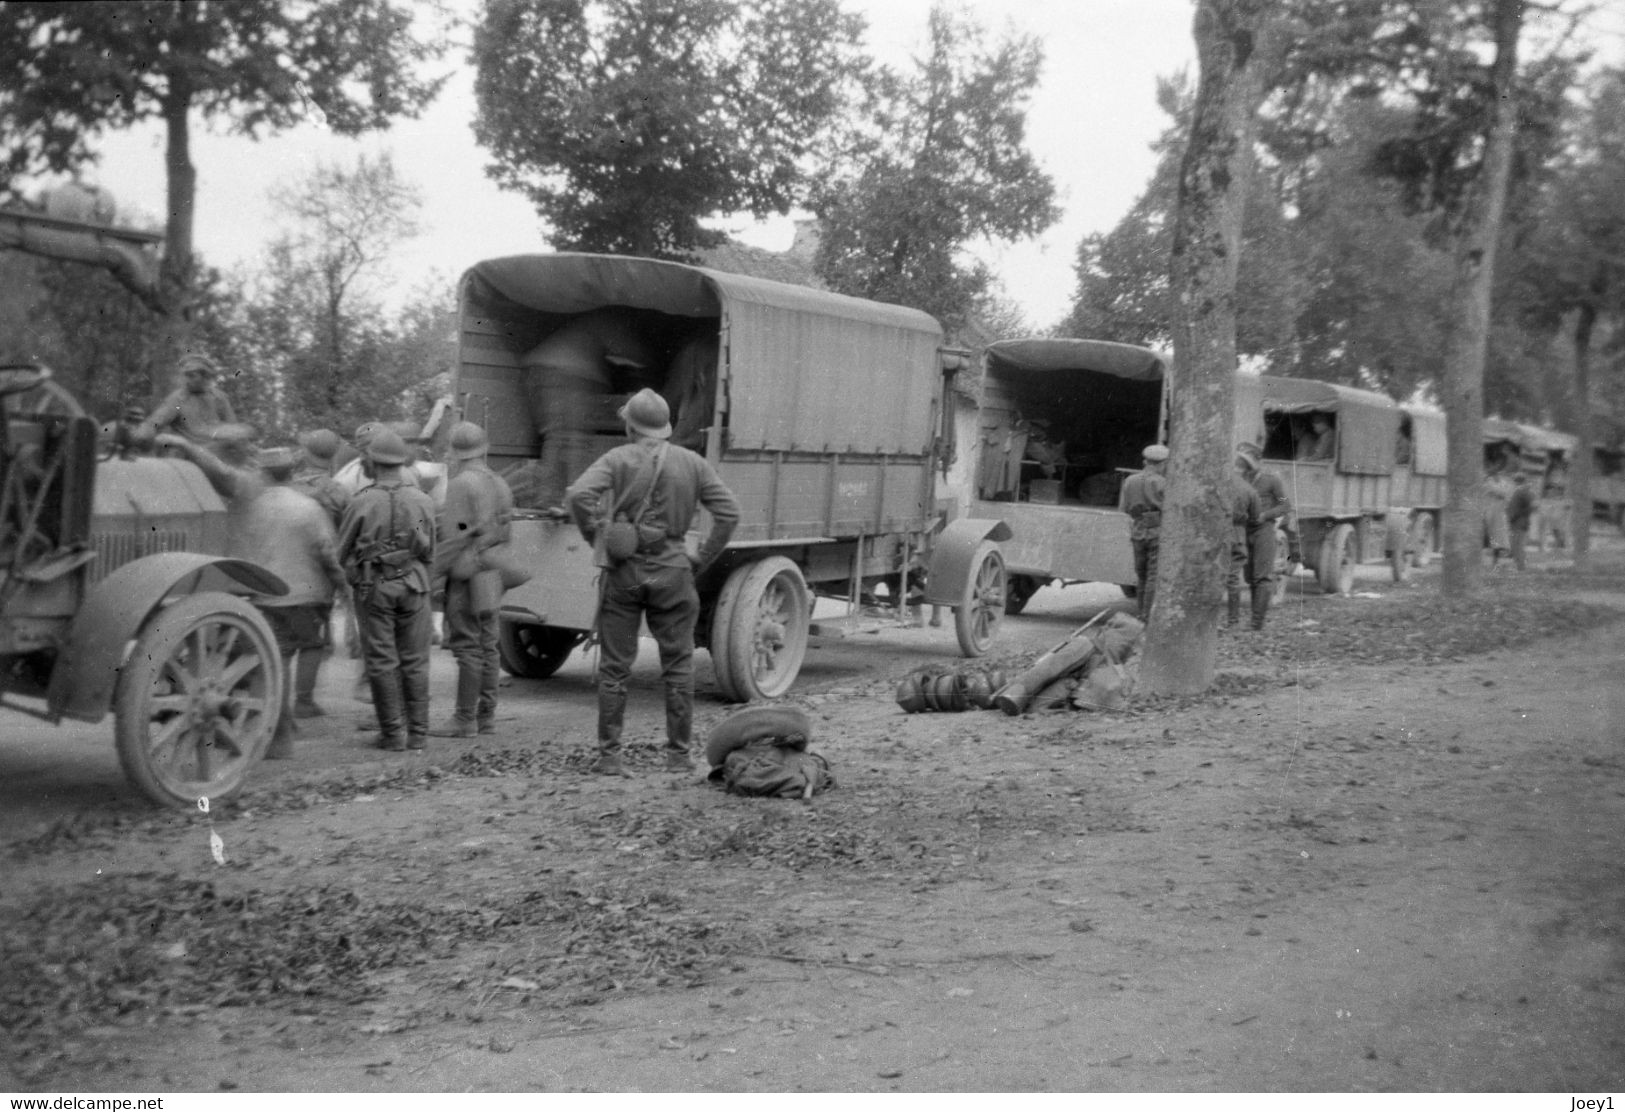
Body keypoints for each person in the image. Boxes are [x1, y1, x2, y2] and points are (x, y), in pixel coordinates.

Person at [566, 388, 740, 776]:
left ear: (630, 425)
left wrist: (596, 534)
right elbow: (729, 513)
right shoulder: (692, 462)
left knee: (615, 667)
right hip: (673, 571)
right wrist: (703, 556)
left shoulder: (617, 457)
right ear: (665, 428)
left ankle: (610, 757)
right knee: (678, 665)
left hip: (625, 572)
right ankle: (678, 756)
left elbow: (578, 495)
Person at [337, 429, 437, 752]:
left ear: (370, 461)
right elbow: (429, 549)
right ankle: (418, 734)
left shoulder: (361, 501)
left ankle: (393, 735)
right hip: (415, 583)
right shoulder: (423, 500)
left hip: (375, 586)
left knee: (381, 661)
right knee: (416, 660)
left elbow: (342, 553)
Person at [247, 447, 349, 758]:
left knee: (276, 659)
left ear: (264, 473)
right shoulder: (308, 508)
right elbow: (327, 552)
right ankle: (301, 705)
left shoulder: (252, 507)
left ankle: (276, 724)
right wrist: (341, 583)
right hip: (305, 594)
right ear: (292, 472)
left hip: (263, 593)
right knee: (312, 646)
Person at [429, 421, 515, 739]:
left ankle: (464, 719)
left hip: (467, 573)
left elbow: (454, 536)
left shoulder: (462, 484)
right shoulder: (500, 483)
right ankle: (486, 717)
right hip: (491, 570)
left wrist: (434, 573)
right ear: (485, 448)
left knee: (467, 645)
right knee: (489, 644)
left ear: (454, 452)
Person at [524, 308, 656, 510]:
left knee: (557, 437)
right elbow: (631, 351)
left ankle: (550, 498)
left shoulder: (589, 322)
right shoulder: (611, 319)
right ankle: (574, 499)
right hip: (568, 374)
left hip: (540, 370)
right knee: (574, 440)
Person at [1235, 443, 1292, 630]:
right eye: (1242, 463)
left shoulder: (1272, 481)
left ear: (1258, 462)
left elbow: (1285, 505)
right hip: (1244, 530)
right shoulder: (1239, 480)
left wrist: (1266, 515)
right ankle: (1254, 619)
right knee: (1250, 576)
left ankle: (1256, 623)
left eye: (1247, 463)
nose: (1244, 467)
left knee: (1262, 577)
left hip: (1264, 531)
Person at [134, 352, 237, 446]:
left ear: (205, 377)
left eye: (192, 376)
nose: (187, 380)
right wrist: (140, 434)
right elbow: (155, 422)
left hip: (217, 455)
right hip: (188, 456)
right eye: (186, 376)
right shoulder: (178, 398)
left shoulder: (219, 398)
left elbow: (233, 429)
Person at [1119, 444, 1168, 620]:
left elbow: (1124, 509)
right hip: (1157, 530)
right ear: (1162, 464)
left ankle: (1141, 613)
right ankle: (1148, 616)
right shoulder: (1163, 483)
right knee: (1153, 576)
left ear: (1145, 461)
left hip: (1137, 531)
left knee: (1141, 576)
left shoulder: (1130, 481)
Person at [1227, 465, 1264, 628]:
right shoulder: (1249, 490)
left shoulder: (1217, 485)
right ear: (1247, 473)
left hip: (1214, 533)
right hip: (1237, 534)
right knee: (1233, 579)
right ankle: (1233, 621)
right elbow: (1256, 518)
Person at [1506, 473, 1536, 572]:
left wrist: (1513, 517)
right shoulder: (1525, 492)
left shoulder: (1521, 492)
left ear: (1517, 482)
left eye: (1514, 481)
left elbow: (1525, 507)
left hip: (1518, 522)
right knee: (1517, 545)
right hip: (1520, 521)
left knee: (1518, 546)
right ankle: (1519, 567)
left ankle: (1521, 568)